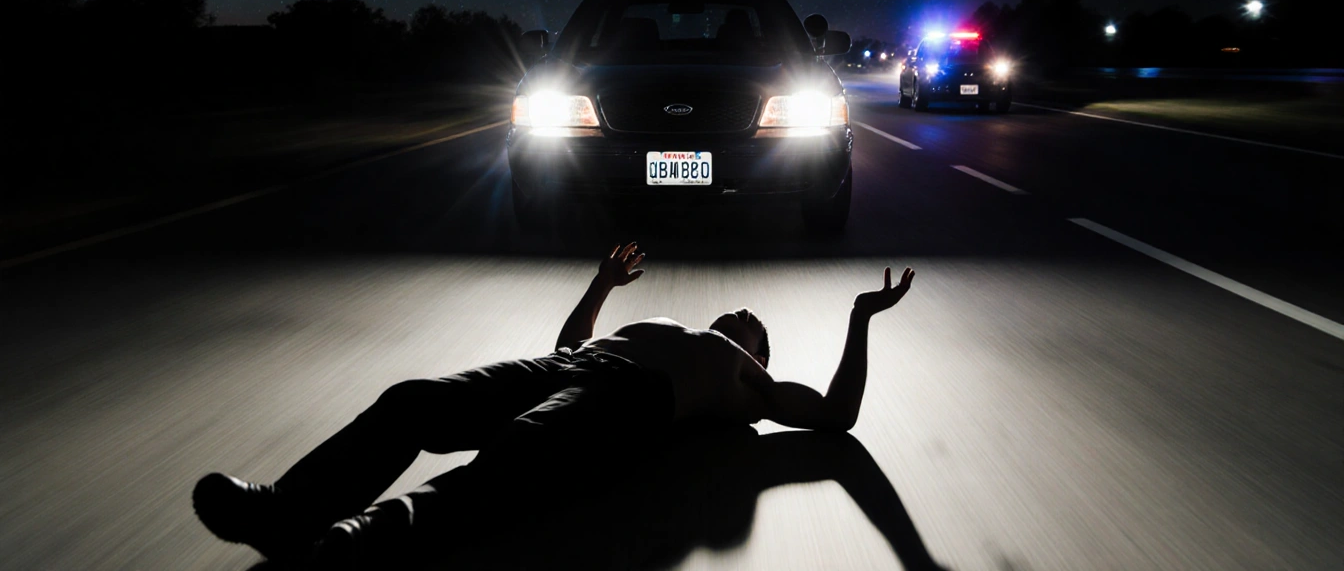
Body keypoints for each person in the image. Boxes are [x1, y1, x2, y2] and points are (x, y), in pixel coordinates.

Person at [193, 242, 915, 567]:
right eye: (740, 317)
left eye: (755, 329)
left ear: (759, 357)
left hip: (628, 401)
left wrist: (860, 318)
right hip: (567, 365)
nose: (745, 316)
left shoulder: (745, 382)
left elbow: (835, 414)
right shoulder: (668, 328)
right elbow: (573, 344)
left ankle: (355, 544)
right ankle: (284, 514)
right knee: (413, 401)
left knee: (513, 454)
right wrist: (602, 284)